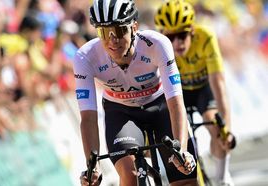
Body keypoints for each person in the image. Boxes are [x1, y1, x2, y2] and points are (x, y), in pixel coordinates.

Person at [74, 0, 198, 185]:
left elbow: (175, 101)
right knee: (129, 174)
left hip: (160, 105)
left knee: (184, 177)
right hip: (121, 113)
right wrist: (93, 166)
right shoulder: (85, 57)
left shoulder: (157, 44)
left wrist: (181, 149)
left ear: (134, 27)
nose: (112, 40)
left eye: (118, 31)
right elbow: (88, 117)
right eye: (104, 33)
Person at [154, 0, 236, 185]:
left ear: (191, 29)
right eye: (171, 36)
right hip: (178, 94)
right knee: (181, 139)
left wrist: (227, 128)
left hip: (202, 90)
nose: (177, 42)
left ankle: (222, 178)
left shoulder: (206, 36)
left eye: (182, 35)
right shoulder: (158, 46)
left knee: (217, 128)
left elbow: (218, 82)